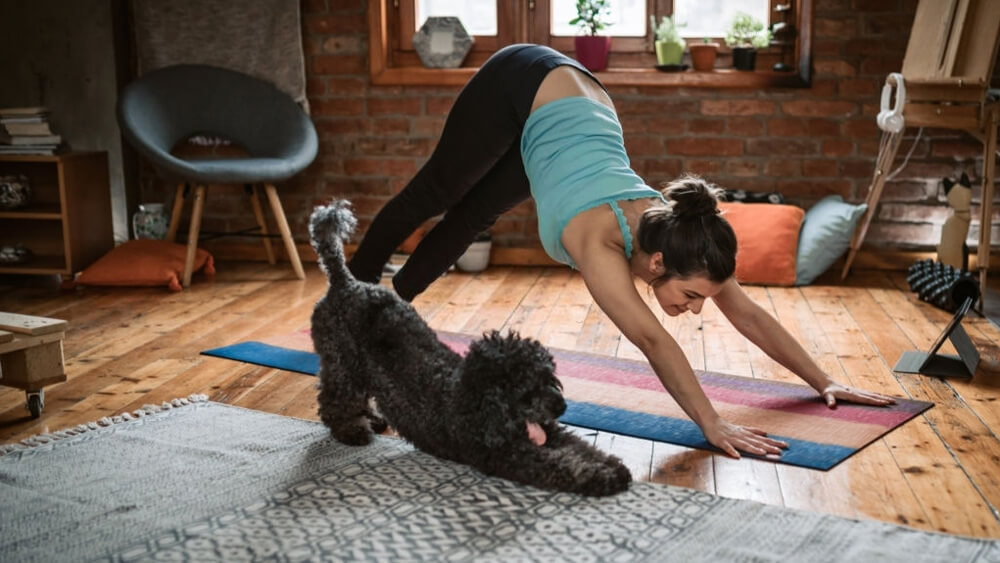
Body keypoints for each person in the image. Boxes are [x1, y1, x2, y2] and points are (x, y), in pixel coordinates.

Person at [348, 43, 896, 459]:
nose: (697, 309)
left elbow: (747, 312)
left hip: (575, 106)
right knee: (438, 194)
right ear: (657, 265)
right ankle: (352, 292)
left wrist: (822, 380)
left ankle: (389, 302)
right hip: (524, 79)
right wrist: (711, 423)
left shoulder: (684, 241)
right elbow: (654, 340)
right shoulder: (600, 244)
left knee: (475, 215)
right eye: (691, 296)